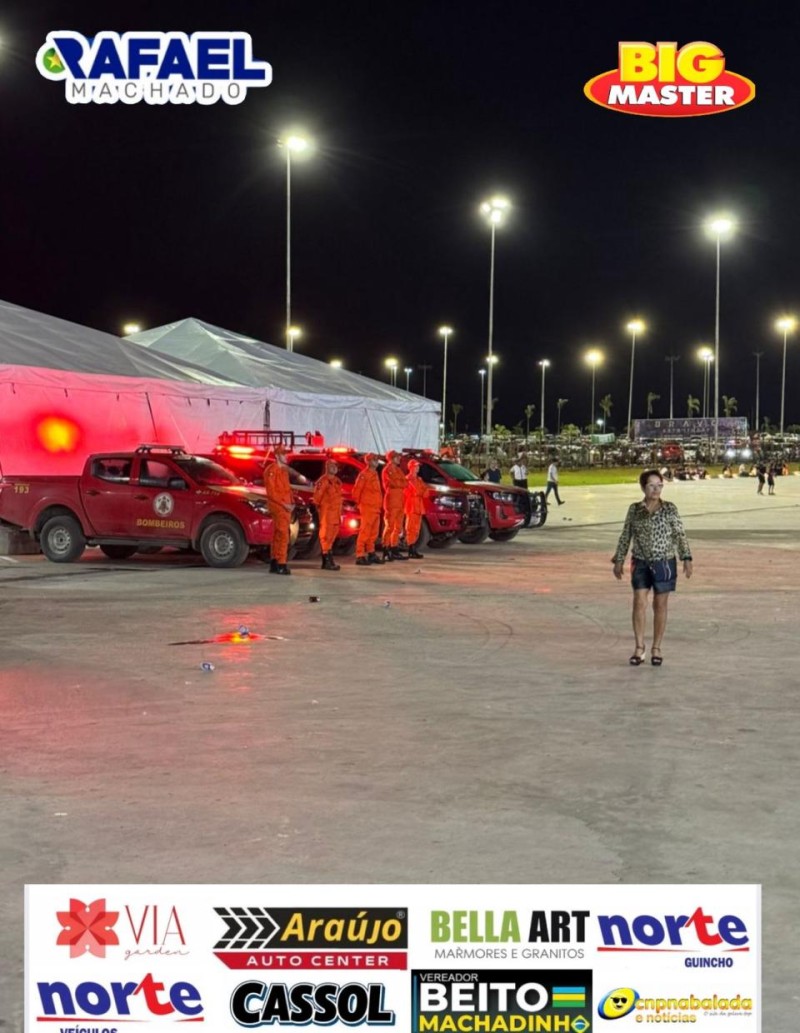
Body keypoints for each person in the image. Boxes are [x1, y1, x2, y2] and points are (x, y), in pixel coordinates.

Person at [612, 469, 693, 667]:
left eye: (659, 485)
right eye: (651, 485)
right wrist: (619, 559)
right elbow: (626, 534)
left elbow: (679, 534)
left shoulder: (670, 509)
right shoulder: (634, 509)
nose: (656, 490)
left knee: (660, 604)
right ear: (643, 487)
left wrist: (686, 557)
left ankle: (656, 647)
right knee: (639, 602)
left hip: (664, 562)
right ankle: (639, 648)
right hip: (640, 562)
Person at [263, 445, 294, 575]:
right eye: (283, 454)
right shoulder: (272, 471)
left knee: (278, 535)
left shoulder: (283, 471)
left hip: (285, 508)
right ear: (277, 456)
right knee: (283, 536)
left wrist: (291, 503)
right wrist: (285, 504)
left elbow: (287, 490)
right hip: (279, 507)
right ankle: (281, 563)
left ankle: (275, 562)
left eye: (286, 454)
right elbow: (272, 493)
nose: (286, 456)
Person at [352, 454, 384, 566]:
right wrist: (358, 504)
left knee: (373, 533)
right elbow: (357, 491)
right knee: (365, 532)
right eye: (374, 460)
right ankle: (360, 555)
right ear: (368, 461)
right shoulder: (364, 475)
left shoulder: (375, 474)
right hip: (368, 508)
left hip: (375, 508)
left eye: (377, 460)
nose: (376, 462)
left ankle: (371, 553)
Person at [313, 457, 343, 570]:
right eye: (332, 466)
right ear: (327, 467)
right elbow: (317, 498)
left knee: (332, 537)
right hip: (327, 515)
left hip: (336, 515)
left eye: (336, 466)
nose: (334, 468)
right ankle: (326, 561)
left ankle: (329, 559)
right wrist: (321, 512)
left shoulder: (337, 481)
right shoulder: (323, 481)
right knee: (326, 537)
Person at [381, 451, 409, 561]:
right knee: (390, 526)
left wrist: (399, 483)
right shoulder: (387, 470)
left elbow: (405, 483)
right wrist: (400, 483)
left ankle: (394, 548)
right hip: (391, 502)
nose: (399, 459)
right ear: (391, 458)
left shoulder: (398, 470)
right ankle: (385, 548)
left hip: (400, 502)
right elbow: (392, 483)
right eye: (397, 457)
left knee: (398, 527)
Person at [404, 459, 427, 559]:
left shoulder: (419, 479)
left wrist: (419, 492)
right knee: (411, 528)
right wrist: (419, 492)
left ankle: (413, 548)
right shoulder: (407, 479)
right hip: (411, 506)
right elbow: (408, 492)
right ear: (411, 467)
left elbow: (425, 492)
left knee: (417, 529)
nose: (418, 468)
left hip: (418, 506)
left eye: (418, 466)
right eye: (416, 466)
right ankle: (411, 548)